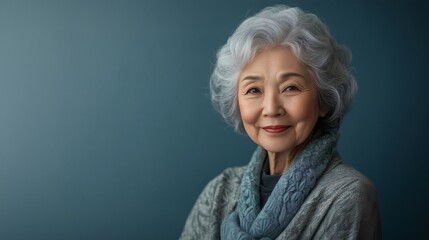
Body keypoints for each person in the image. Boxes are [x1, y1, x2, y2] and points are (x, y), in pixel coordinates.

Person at [180, 5, 381, 240]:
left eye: (291, 88)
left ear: (324, 100)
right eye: (253, 90)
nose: (272, 108)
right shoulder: (218, 192)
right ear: (237, 102)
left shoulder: (348, 194)